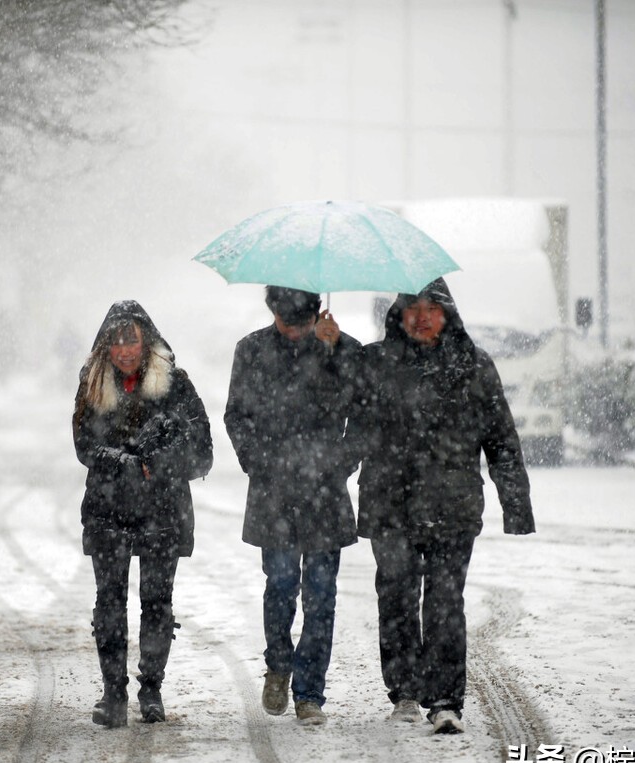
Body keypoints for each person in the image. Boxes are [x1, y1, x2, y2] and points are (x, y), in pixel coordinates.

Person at [345, 278, 535, 735]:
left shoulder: (473, 365)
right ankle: (405, 691)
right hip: (389, 504)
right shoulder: (374, 363)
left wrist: (516, 505)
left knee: (446, 603)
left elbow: (502, 441)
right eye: (412, 306)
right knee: (396, 598)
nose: (422, 316)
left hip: (453, 506)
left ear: (448, 313)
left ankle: (446, 698)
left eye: (432, 307)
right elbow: (348, 424)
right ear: (398, 314)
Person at [224, 285, 361, 726]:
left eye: (302, 323)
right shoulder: (251, 350)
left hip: (325, 492)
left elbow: (364, 406)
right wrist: (260, 464)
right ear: (273, 313)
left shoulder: (338, 348)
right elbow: (236, 416)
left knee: (321, 596)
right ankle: (279, 664)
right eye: (287, 324)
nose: (295, 332)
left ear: (316, 312)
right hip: (275, 491)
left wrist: (340, 463)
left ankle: (310, 693)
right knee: (281, 584)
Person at [72, 300, 213, 728]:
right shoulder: (92, 385)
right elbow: (83, 445)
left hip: (162, 511)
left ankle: (151, 689)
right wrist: (123, 463)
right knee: (109, 603)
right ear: (104, 346)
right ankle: (113, 693)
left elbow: (202, 450)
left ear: (146, 339)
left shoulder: (175, 384)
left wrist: (160, 459)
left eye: (130, 339)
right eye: (115, 341)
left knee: (156, 602)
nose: (124, 350)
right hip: (108, 509)